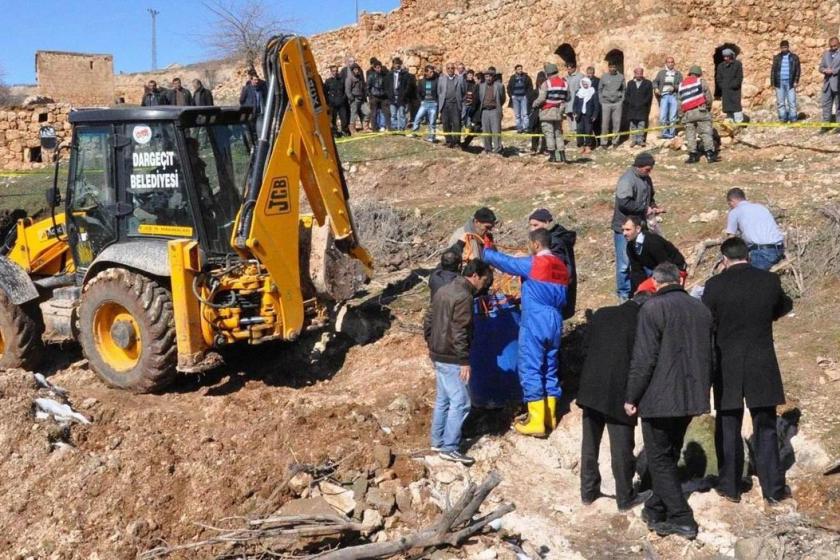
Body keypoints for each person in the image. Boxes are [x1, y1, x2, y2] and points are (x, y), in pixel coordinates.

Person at [624, 263, 713, 540]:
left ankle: (682, 518)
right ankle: (655, 506)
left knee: (660, 458)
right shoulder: (701, 309)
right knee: (671, 453)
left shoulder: (652, 308)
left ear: (654, 282)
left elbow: (644, 359)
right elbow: (710, 355)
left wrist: (631, 396)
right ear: (679, 280)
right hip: (691, 394)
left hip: (659, 397)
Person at [702, 238, 794, 505]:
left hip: (727, 361)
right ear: (748, 256)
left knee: (728, 423)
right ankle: (773, 489)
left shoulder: (715, 285)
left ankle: (730, 486)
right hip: (761, 360)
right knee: (765, 426)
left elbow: (708, 320)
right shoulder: (768, 281)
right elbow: (783, 307)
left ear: (724, 259)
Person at [483, 228, 569, 437]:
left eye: (529, 244)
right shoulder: (561, 266)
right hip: (555, 319)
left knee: (530, 367)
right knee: (549, 367)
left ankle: (536, 422)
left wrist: (487, 251)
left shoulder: (535, 263)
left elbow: (508, 264)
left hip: (535, 320)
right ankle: (550, 416)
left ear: (536, 244)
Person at [578, 290, 654, 511]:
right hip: (619, 392)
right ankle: (625, 497)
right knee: (621, 447)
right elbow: (642, 362)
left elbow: (587, 346)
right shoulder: (642, 323)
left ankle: (588, 491)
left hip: (591, 387)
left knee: (589, 443)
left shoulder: (602, 313)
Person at [424, 259, 493, 466]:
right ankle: (450, 447)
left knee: (444, 400)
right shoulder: (463, 296)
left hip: (438, 352)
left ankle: (437, 441)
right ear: (475, 276)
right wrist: (464, 360)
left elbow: (428, 319)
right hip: (452, 356)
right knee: (462, 402)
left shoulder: (444, 290)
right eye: (485, 280)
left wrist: (432, 343)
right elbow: (460, 330)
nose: (484, 285)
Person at [612, 153, 660, 301]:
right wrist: (644, 210)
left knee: (645, 259)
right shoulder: (627, 180)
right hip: (624, 228)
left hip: (641, 227)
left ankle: (646, 291)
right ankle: (624, 296)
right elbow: (624, 203)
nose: (649, 172)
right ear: (638, 167)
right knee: (624, 265)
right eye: (647, 169)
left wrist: (654, 207)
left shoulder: (646, 179)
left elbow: (650, 198)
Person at [528, 208, 577, 320]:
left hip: (556, 292)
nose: (532, 229)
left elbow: (550, 265)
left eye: (536, 225)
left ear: (547, 223)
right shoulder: (558, 237)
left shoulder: (554, 241)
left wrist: (528, 260)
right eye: (531, 225)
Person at [622, 216, 686, 294]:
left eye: (628, 230)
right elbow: (637, 271)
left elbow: (666, 264)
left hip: (675, 270)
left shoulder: (652, 241)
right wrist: (636, 293)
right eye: (623, 230)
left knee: (647, 289)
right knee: (642, 290)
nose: (624, 233)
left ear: (638, 229)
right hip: (660, 272)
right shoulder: (630, 246)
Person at [724, 188, 785, 270]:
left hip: (761, 253)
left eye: (729, 204)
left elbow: (731, 241)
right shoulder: (760, 207)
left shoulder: (735, 212)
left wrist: (725, 259)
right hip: (779, 249)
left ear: (732, 201)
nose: (730, 206)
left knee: (745, 277)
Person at [679, 66, 717, 164]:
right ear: (699, 74)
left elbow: (680, 101)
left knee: (690, 135)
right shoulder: (700, 82)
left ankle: (692, 156)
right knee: (706, 133)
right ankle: (710, 155)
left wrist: (681, 114)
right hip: (701, 111)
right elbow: (708, 97)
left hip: (688, 113)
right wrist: (707, 108)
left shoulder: (682, 84)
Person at [532, 63, 568, 163]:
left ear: (548, 73)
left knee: (549, 134)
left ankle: (552, 156)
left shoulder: (546, 83)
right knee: (558, 134)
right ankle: (563, 156)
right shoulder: (564, 83)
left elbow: (542, 98)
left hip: (547, 112)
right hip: (558, 112)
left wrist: (534, 104)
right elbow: (567, 97)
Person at [477, 67, 506, 154]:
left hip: (495, 110)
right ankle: (487, 149)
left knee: (496, 130)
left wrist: (497, 107)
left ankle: (497, 149)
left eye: (490, 76)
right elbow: (480, 98)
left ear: (493, 77)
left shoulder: (499, 86)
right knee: (486, 131)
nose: (488, 78)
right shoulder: (481, 86)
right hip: (485, 111)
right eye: (486, 76)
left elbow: (502, 99)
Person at [771, 40, 801, 123]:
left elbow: (798, 70)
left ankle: (793, 118)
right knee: (780, 102)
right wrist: (773, 82)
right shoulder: (777, 57)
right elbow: (773, 70)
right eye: (782, 47)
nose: (784, 49)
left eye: (785, 47)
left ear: (788, 47)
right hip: (779, 82)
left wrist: (796, 81)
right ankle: (783, 118)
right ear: (780, 48)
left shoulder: (794, 57)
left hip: (790, 82)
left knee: (792, 101)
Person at [652, 57, 682, 139]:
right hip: (664, 96)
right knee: (663, 115)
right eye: (669, 62)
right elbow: (655, 82)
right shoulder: (661, 73)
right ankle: (664, 133)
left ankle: (672, 134)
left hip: (673, 96)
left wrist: (674, 88)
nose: (670, 63)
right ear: (666, 63)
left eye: (672, 62)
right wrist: (656, 88)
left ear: (674, 63)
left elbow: (681, 85)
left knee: (673, 116)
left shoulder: (678, 74)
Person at [438, 62, 466, 148]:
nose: (450, 70)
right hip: (445, 104)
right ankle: (448, 141)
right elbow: (439, 92)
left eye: (452, 68)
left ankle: (457, 142)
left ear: (455, 69)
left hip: (455, 105)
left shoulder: (460, 79)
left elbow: (464, 92)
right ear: (446, 70)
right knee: (446, 123)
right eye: (448, 68)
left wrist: (462, 104)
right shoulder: (442, 79)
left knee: (456, 123)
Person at [625, 68, 653, 148]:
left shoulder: (648, 83)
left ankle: (640, 140)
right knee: (633, 124)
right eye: (637, 73)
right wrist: (631, 103)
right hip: (632, 108)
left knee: (641, 124)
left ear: (642, 73)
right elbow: (627, 95)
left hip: (642, 107)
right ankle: (634, 140)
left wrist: (643, 103)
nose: (639, 75)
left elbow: (649, 96)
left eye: (640, 73)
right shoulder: (630, 83)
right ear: (634, 73)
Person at [599, 63, 625, 149]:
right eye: (610, 67)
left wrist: (621, 99)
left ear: (616, 67)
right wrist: (601, 100)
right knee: (605, 123)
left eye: (614, 67)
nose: (612, 69)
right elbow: (599, 89)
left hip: (617, 103)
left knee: (616, 123)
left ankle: (615, 141)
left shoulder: (621, 77)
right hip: (606, 103)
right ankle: (604, 142)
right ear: (608, 68)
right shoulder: (604, 76)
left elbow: (624, 89)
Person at [573, 77, 600, 155]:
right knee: (579, 130)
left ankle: (588, 146)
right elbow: (575, 104)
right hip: (579, 115)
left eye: (586, 83)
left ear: (589, 83)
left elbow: (596, 106)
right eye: (583, 83)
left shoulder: (593, 92)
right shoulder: (578, 92)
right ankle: (581, 146)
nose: (585, 85)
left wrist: (594, 115)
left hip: (589, 115)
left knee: (588, 130)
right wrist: (574, 112)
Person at [412, 65, 439, 142]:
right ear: (426, 72)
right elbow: (418, 93)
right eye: (430, 72)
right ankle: (414, 133)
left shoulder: (436, 81)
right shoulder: (421, 81)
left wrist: (437, 102)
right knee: (417, 118)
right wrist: (421, 100)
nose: (432, 73)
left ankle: (431, 137)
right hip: (424, 103)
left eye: (432, 71)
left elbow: (439, 92)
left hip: (433, 104)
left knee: (432, 121)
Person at [715, 49, 744, 123]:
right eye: (724, 57)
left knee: (736, 109)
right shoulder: (721, 66)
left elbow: (739, 78)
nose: (726, 58)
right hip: (725, 92)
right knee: (728, 111)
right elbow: (718, 78)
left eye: (727, 57)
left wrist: (732, 85)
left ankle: (739, 126)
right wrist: (723, 86)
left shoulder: (737, 65)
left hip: (735, 92)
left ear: (731, 56)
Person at [818, 36, 840, 131]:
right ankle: (826, 125)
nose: (833, 48)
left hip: (838, 83)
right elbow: (820, 67)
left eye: (835, 46)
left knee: (838, 105)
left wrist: (833, 71)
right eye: (831, 46)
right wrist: (824, 70)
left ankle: (839, 125)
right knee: (826, 104)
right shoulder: (826, 54)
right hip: (827, 84)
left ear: (838, 44)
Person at [385, 57, 411, 131]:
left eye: (398, 64)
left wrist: (404, 94)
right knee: (393, 114)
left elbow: (407, 86)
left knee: (401, 113)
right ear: (393, 65)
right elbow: (386, 86)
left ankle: (402, 128)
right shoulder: (389, 75)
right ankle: (394, 127)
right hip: (392, 97)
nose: (397, 65)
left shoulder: (404, 74)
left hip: (401, 97)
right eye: (395, 64)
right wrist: (389, 94)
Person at [324, 65, 350, 136]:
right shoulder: (328, 81)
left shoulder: (341, 80)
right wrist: (329, 101)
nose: (335, 72)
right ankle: (335, 132)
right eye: (333, 71)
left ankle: (344, 131)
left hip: (341, 102)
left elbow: (345, 90)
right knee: (333, 119)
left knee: (344, 118)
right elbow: (325, 92)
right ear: (331, 72)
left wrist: (343, 98)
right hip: (332, 103)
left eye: (336, 71)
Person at [507, 64, 534, 133]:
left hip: (523, 97)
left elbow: (530, 87)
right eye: (518, 69)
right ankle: (519, 128)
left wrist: (527, 96)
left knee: (525, 113)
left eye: (521, 69)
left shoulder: (526, 77)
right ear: (515, 70)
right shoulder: (512, 78)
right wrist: (511, 96)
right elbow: (509, 87)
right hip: (515, 98)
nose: (520, 70)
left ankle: (526, 128)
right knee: (517, 114)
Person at [366, 60, 391, 132]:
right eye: (377, 67)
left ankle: (389, 127)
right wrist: (370, 96)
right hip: (374, 97)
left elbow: (387, 86)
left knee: (386, 112)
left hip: (383, 97)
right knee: (374, 113)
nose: (379, 69)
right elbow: (368, 87)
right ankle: (374, 129)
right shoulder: (371, 76)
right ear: (374, 68)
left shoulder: (384, 75)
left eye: (379, 67)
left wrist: (386, 94)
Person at [528, 71, 547, 154]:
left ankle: (544, 148)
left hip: (545, 113)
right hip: (535, 114)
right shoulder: (534, 92)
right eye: (540, 81)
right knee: (535, 132)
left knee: (544, 132)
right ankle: (534, 148)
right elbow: (530, 103)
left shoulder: (547, 92)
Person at [346, 64, 368, 132]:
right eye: (355, 69)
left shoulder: (360, 77)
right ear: (352, 70)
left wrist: (364, 96)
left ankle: (365, 127)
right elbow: (347, 90)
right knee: (354, 115)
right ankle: (352, 130)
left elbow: (363, 88)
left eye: (357, 69)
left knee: (367, 112)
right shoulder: (349, 79)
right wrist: (351, 99)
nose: (357, 71)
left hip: (361, 98)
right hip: (354, 99)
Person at [565, 62, 584, 135]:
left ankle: (577, 131)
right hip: (568, 100)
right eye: (567, 68)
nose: (568, 70)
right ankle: (572, 130)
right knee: (568, 115)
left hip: (576, 100)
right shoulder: (566, 77)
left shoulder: (580, 76)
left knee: (576, 115)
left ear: (574, 68)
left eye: (570, 68)